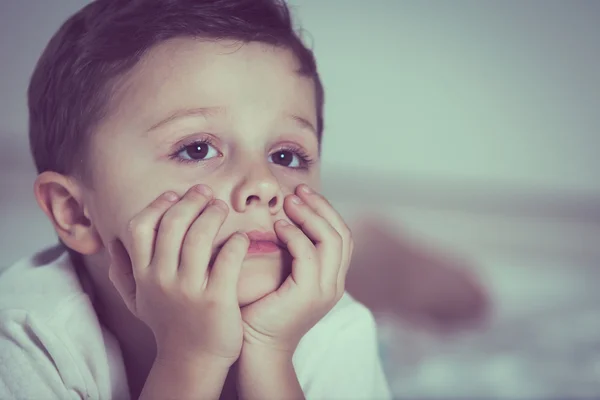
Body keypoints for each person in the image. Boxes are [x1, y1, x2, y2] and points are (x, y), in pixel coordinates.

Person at [0, 0, 391, 399]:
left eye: (286, 157)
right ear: (75, 213)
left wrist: (272, 354)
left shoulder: (335, 331)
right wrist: (190, 358)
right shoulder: (25, 337)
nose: (265, 183)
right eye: (197, 150)